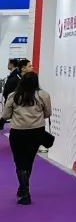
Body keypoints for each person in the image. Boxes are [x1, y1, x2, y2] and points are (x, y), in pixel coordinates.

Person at [1, 72, 51, 205]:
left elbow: (5, 115)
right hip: (37, 132)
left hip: (18, 133)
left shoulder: (13, 96)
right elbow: (48, 113)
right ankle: (23, 188)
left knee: (20, 162)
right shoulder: (44, 95)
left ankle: (24, 191)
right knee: (29, 161)